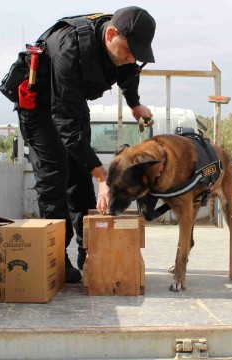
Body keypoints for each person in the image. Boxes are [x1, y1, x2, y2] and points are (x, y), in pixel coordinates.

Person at [14, 6, 156, 283]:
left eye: (136, 55)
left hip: (72, 103)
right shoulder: (71, 48)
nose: (131, 59)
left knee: (81, 176)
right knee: (54, 175)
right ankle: (55, 257)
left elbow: (129, 72)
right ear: (111, 34)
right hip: (39, 107)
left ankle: (88, 250)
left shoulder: (123, 51)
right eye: (128, 51)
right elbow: (65, 124)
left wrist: (134, 103)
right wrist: (102, 175)